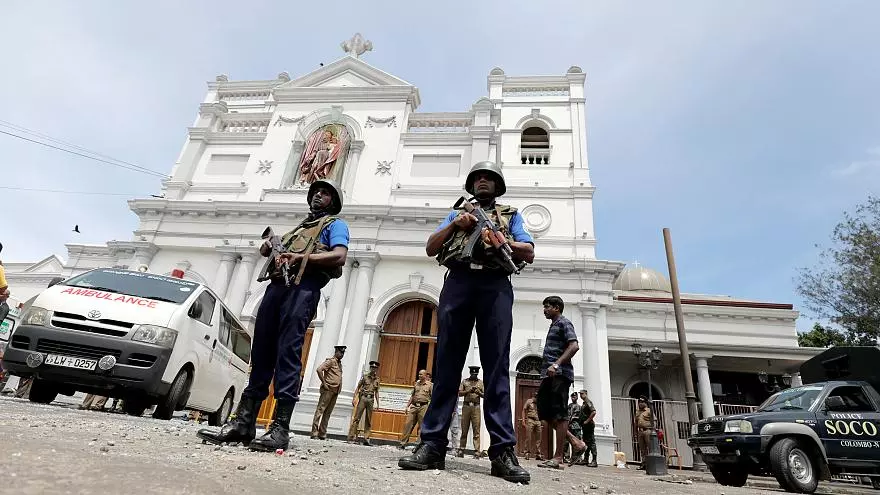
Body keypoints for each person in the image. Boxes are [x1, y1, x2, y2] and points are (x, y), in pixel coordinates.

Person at [398, 161, 534, 484]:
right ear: (471, 186)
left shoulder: (511, 215)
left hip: (495, 286)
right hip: (458, 282)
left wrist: (500, 241)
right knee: (446, 365)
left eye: (489, 178)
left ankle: (502, 451)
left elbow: (528, 250)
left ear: (497, 186)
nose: (483, 181)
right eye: (478, 178)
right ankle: (432, 444)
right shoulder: (457, 212)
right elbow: (432, 246)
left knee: (497, 367)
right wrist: (456, 225)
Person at [197, 179, 349, 452]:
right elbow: (274, 252)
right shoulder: (298, 229)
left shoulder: (334, 225)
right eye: (315, 192)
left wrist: (299, 258)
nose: (318, 196)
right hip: (276, 290)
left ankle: (280, 428)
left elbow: (339, 257)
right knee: (262, 354)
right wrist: (270, 248)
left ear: (333, 202)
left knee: (288, 353)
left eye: (324, 194)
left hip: (303, 289)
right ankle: (243, 423)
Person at [536, 296, 584, 470]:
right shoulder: (554, 325)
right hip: (548, 376)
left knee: (559, 414)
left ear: (557, 307)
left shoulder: (564, 323)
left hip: (560, 374)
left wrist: (556, 364)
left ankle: (558, 457)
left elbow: (574, 346)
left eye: (547, 306)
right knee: (544, 411)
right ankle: (575, 442)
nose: (544, 310)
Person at [311, 345, 346, 440]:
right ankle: (314, 432)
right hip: (328, 389)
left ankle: (322, 433)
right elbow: (319, 369)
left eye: (343, 353)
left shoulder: (339, 364)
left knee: (327, 413)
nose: (342, 354)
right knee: (320, 410)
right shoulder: (330, 361)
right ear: (336, 351)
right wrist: (324, 383)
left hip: (335, 391)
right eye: (340, 352)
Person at [348, 360, 381, 445]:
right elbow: (358, 387)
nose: (374, 369)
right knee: (357, 418)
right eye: (372, 367)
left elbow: (377, 392)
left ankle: (366, 438)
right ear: (370, 368)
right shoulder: (365, 377)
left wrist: (378, 403)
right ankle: (351, 437)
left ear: (377, 369)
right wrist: (354, 398)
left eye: (375, 368)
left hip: (371, 399)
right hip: (363, 398)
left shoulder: (377, 379)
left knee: (368, 419)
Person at [398, 369, 432, 448]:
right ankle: (403, 443)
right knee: (408, 424)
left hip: (423, 406)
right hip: (414, 406)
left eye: (421, 374)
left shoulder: (430, 385)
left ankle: (419, 445)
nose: (419, 376)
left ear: (425, 375)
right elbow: (412, 396)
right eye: (419, 374)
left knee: (422, 426)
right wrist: (407, 406)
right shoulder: (416, 384)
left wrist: (430, 408)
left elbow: (433, 397)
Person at [457, 365, 484, 458]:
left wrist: (478, 392)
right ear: (470, 373)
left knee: (476, 429)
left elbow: (485, 395)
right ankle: (461, 449)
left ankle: (477, 451)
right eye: (472, 374)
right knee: (464, 429)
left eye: (475, 374)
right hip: (466, 406)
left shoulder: (480, 382)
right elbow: (459, 393)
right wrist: (468, 391)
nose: (474, 375)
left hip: (476, 407)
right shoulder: (465, 381)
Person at [521, 391, 543, 461]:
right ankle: (527, 453)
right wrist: (523, 420)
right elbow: (524, 410)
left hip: (538, 421)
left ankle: (538, 454)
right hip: (530, 420)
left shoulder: (540, 402)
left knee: (539, 438)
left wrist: (542, 422)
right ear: (534, 396)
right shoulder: (529, 401)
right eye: (536, 397)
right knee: (528, 437)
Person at [579, 389, 598, 467]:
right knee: (586, 442)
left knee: (591, 442)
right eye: (580, 394)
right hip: (585, 426)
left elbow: (593, 412)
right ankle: (586, 459)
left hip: (589, 425)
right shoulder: (584, 403)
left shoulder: (588, 402)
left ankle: (594, 460)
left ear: (586, 394)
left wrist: (587, 421)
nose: (581, 395)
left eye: (582, 394)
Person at [635, 396, 653, 469]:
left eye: (642, 402)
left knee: (650, 448)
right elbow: (636, 422)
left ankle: (651, 464)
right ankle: (644, 463)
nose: (640, 404)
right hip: (640, 431)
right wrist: (636, 432)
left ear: (646, 403)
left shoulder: (649, 411)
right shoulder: (637, 411)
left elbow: (654, 421)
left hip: (647, 431)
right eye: (639, 402)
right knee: (642, 449)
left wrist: (653, 430)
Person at [564, 392, 581, 464]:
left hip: (575, 426)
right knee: (566, 442)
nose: (573, 398)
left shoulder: (579, 406)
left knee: (576, 441)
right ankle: (566, 457)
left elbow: (574, 416)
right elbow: (567, 414)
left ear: (577, 397)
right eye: (572, 397)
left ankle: (576, 457)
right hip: (569, 426)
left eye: (574, 397)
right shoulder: (569, 406)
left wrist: (569, 421)